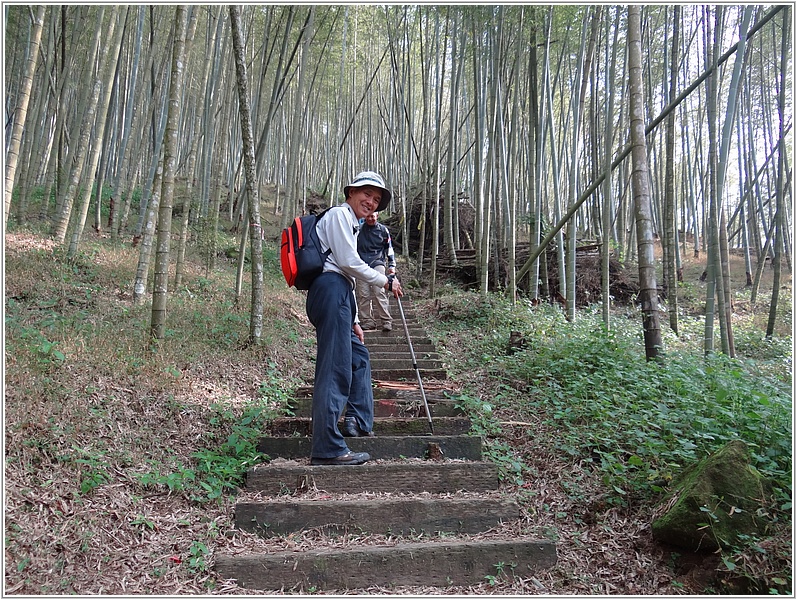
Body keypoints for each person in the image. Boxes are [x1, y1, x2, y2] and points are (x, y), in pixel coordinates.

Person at [306, 170, 403, 466]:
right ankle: (327, 447)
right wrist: (384, 281)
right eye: (366, 194)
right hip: (330, 290)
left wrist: (357, 320)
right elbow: (348, 262)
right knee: (335, 369)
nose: (371, 202)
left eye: (376, 199)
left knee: (358, 357)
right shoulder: (338, 215)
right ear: (351, 192)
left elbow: (347, 271)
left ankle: (359, 422)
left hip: (342, 294)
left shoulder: (354, 225)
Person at [356, 211, 396, 331]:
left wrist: (392, 265)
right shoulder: (358, 230)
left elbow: (389, 248)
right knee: (363, 294)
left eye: (373, 216)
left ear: (377, 216)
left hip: (377, 262)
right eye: (368, 216)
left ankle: (386, 320)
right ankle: (368, 321)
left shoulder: (383, 230)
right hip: (361, 264)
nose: (370, 219)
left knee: (379, 291)